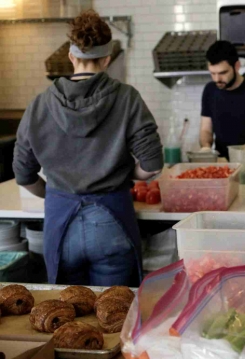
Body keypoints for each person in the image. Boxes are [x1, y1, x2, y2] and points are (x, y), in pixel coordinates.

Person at [12, 10, 163, 287]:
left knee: (68, 314)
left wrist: (53, 193)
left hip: (60, 225)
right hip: (112, 222)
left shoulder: (40, 104)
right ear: (107, 59)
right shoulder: (127, 98)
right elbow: (152, 164)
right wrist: (130, 173)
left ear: (71, 57)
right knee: (113, 314)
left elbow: (23, 173)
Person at [200, 40, 245, 159]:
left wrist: (232, 161)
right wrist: (206, 147)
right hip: (220, 164)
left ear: (237, 66)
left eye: (223, 73)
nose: (217, 79)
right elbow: (206, 130)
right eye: (213, 73)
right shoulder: (210, 90)